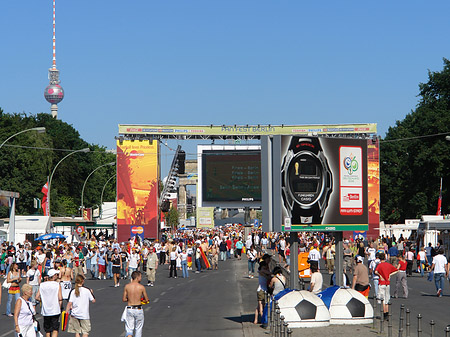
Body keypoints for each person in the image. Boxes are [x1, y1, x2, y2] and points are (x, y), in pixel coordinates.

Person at [36, 269, 63, 337]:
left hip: (46, 310)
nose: (57, 276)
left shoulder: (42, 285)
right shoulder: (57, 285)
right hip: (55, 310)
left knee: (47, 330)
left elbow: (37, 297)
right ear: (53, 276)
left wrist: (43, 300)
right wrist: (59, 307)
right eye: (56, 275)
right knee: (55, 329)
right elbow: (60, 298)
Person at [122, 271, 149, 337]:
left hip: (130, 308)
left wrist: (130, 298)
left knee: (129, 328)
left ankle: (129, 335)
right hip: (138, 309)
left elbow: (124, 299)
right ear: (137, 277)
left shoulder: (127, 286)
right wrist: (141, 300)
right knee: (138, 328)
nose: (141, 278)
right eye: (140, 277)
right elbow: (146, 299)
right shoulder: (141, 287)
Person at [375, 253, 398, 319]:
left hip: (382, 283)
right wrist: (390, 275)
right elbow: (396, 270)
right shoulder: (388, 265)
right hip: (387, 283)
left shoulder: (379, 265)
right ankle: (387, 313)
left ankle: (384, 313)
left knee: (382, 299)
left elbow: (376, 272)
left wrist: (380, 275)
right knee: (387, 299)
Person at [254, 261, 270, 325]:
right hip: (261, 290)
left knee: (259, 306)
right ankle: (263, 320)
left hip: (262, 290)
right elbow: (269, 273)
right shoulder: (262, 271)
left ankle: (256, 320)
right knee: (261, 305)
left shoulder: (261, 271)